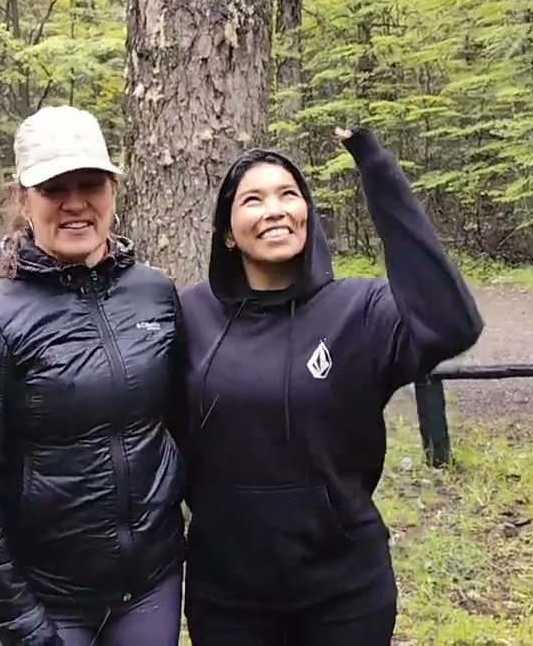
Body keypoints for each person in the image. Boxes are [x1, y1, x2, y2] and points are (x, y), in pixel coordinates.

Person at [176, 126, 485, 645]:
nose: (275, 209)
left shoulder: (359, 312)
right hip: (227, 593)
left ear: (307, 216)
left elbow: (452, 323)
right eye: (253, 199)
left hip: (343, 591)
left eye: (289, 195)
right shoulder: (188, 314)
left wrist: (378, 173)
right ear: (228, 232)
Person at [0, 105, 186, 646]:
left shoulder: (154, 293)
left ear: (113, 189)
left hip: (151, 585)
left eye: (90, 183)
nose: (75, 203)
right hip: (46, 596)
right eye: (54, 188)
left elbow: (184, 423)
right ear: (24, 200)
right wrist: (20, 624)